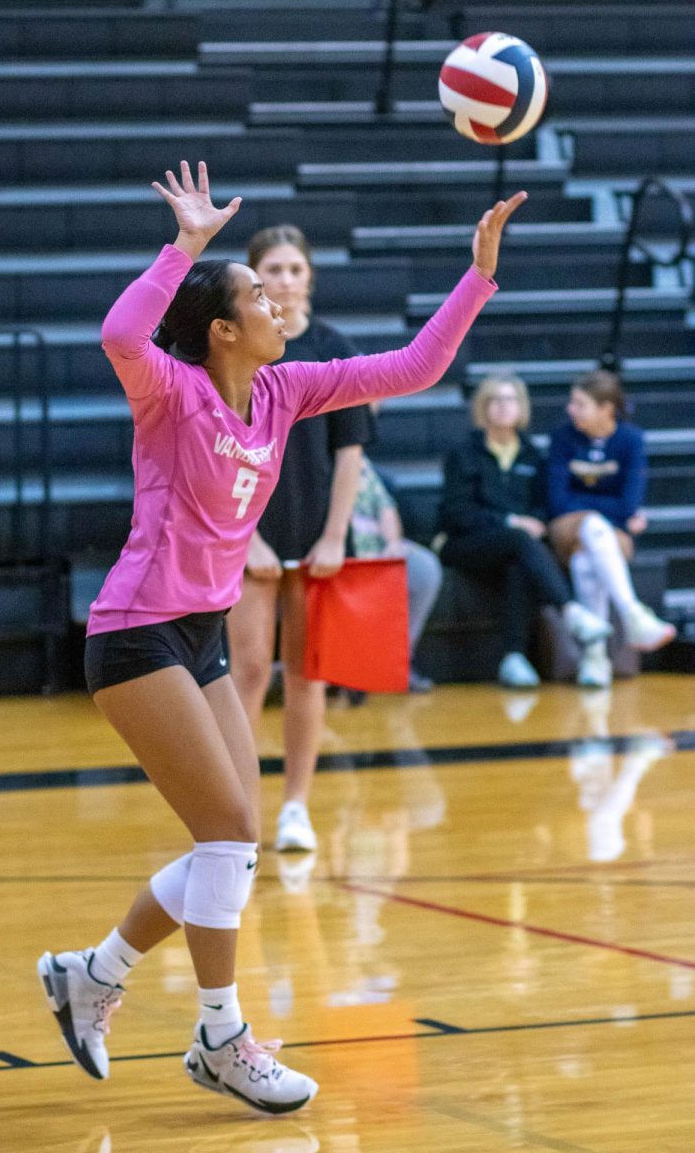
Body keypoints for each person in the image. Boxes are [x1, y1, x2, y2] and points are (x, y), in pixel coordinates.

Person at [37, 160, 523, 1115]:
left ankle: (92, 972)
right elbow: (118, 331)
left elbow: (413, 369)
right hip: (136, 632)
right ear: (223, 329)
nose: (278, 301)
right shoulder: (172, 392)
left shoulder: (286, 391)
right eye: (259, 293)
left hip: (199, 632)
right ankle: (220, 1033)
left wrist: (478, 274)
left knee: (236, 839)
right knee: (226, 833)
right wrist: (187, 247)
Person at [226, 224, 373, 857]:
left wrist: (337, 534)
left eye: (295, 268)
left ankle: (295, 808)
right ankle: (236, 815)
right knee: (250, 669)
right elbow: (218, 453)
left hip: (316, 537)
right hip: (248, 538)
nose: (286, 279)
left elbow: (350, 454)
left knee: (310, 675)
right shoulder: (240, 352)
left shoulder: (335, 349)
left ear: (310, 275)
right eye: (273, 271)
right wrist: (246, 537)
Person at [437, 373, 612, 688]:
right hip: (465, 543)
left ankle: (514, 657)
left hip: (515, 549)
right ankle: (570, 610)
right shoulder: (463, 453)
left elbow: (542, 508)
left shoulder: (533, 455)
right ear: (483, 407)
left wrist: (533, 522)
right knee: (519, 539)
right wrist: (507, 522)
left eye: (511, 400)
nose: (504, 407)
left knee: (520, 561)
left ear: (522, 407)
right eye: (496, 400)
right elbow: (457, 513)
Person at [547, 369, 676, 688]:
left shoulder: (631, 440)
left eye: (579, 404)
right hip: (567, 528)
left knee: (586, 559)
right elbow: (557, 501)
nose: (570, 409)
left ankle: (595, 657)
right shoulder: (563, 438)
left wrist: (593, 506)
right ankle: (632, 613)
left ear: (606, 409)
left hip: (607, 536)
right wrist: (609, 512)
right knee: (591, 527)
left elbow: (630, 503)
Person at [351, 454, 443, 693]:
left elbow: (385, 507)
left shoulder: (363, 461)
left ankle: (396, 661)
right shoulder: (314, 456)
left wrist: (392, 542)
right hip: (338, 549)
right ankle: (339, 670)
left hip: (376, 547)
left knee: (424, 567)